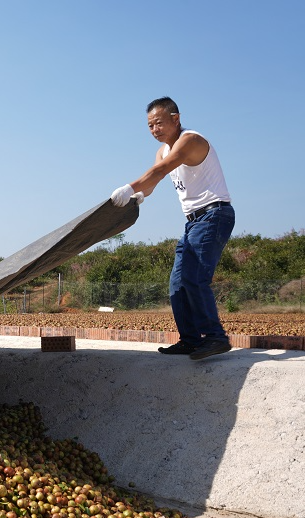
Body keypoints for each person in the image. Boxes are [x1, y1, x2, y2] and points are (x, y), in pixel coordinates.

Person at [110, 96, 234, 361]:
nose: (155, 130)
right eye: (150, 126)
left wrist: (129, 187)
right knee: (177, 283)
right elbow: (155, 178)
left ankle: (216, 336)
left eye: (159, 123)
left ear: (175, 119)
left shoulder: (190, 140)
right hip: (193, 222)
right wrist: (139, 195)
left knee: (195, 277)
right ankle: (190, 340)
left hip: (214, 214)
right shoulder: (162, 151)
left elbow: (163, 169)